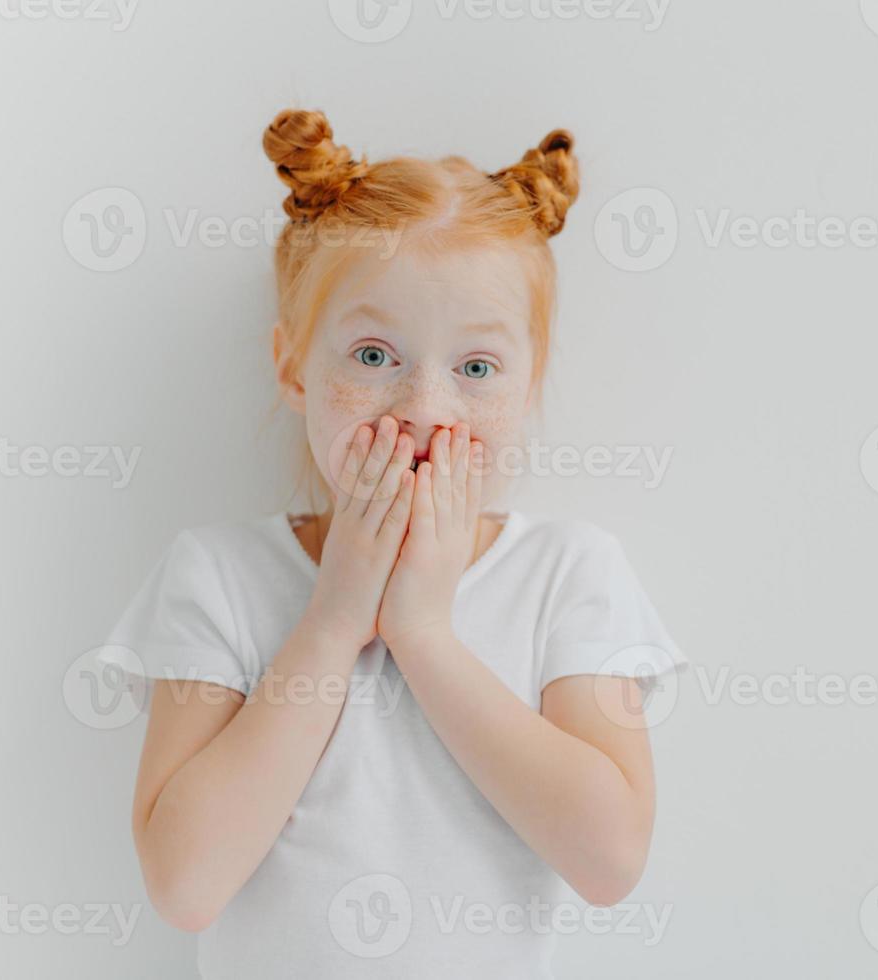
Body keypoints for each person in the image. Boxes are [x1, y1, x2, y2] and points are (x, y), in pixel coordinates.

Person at [98, 107, 687, 979]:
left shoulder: (569, 573)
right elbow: (185, 885)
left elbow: (609, 861)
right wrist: (333, 621)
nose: (423, 408)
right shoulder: (217, 576)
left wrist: (425, 634)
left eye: (476, 369)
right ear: (295, 367)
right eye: (374, 355)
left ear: (528, 386)